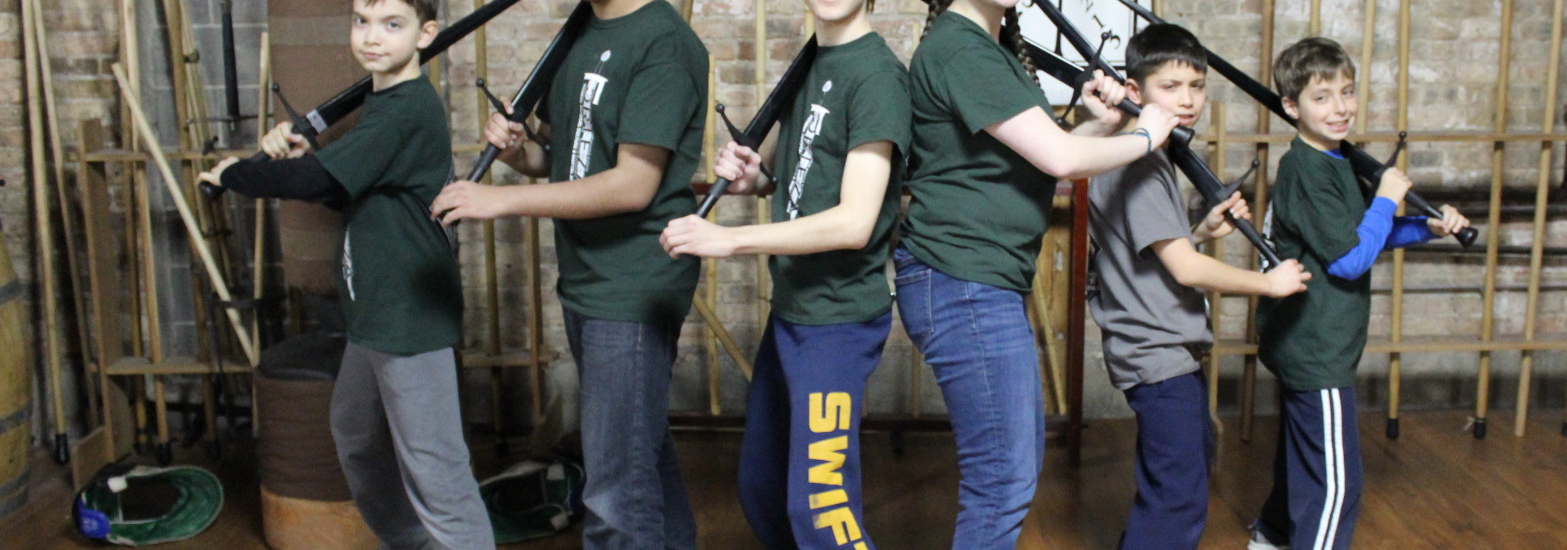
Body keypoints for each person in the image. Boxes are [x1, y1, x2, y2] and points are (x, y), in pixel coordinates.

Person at [198, 1, 493, 547]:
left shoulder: (407, 109)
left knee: (439, 477)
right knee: (357, 437)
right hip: (373, 312)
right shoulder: (383, 102)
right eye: (362, 21)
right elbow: (349, 188)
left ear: (426, 33)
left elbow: (317, 183)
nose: (371, 37)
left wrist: (234, 173)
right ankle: (414, 544)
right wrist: (305, 154)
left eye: (392, 25)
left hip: (408, 317)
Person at [427, 0, 708, 546]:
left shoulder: (664, 43)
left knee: (615, 495)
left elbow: (633, 185)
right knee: (639, 454)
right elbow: (559, 159)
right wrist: (517, 152)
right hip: (586, 276)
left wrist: (500, 201)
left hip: (631, 284)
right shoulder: (581, 28)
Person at [901, 0, 1176, 546]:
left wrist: (1098, 126)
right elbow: (1060, 160)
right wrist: (1146, 135)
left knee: (1011, 473)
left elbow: (1035, 160)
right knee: (1001, 483)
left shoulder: (992, 47)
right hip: (962, 281)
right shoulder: (958, 48)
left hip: (982, 283)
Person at [656, 0, 907, 547]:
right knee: (763, 487)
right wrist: (756, 178)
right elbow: (799, 178)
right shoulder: (813, 60)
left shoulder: (876, 77)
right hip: (794, 309)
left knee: (822, 508)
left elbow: (855, 222)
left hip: (836, 320)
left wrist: (730, 240)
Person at [1084, 23, 1312, 550]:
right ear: (1135, 91)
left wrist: (1201, 231)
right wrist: (1268, 283)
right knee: (1177, 498)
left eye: (1196, 86)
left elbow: (1152, 250)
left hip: (1162, 348)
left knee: (1181, 472)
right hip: (1156, 351)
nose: (1187, 100)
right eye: (1170, 87)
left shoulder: (1136, 153)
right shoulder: (1141, 163)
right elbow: (1185, 270)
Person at [1248, 36, 1472, 550]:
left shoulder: (1337, 159)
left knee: (1305, 456)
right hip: (1315, 344)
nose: (1340, 108)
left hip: (1314, 339)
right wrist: (1387, 198)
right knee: (1336, 484)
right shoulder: (1307, 169)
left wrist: (1425, 227)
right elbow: (1349, 259)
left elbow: (1364, 235)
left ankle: (1272, 535)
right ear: (1291, 107)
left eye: (1346, 92)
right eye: (1321, 97)